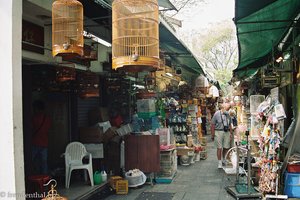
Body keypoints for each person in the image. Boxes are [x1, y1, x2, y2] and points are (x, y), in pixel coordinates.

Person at [31, 100, 51, 174]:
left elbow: (31, 129)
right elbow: (49, 129)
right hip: (44, 143)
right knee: (44, 163)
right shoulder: (47, 118)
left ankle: (35, 176)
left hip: (34, 143)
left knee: (31, 161)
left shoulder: (33, 118)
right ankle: (44, 179)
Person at [211, 103, 233, 169]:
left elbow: (230, 124)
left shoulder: (228, 114)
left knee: (226, 147)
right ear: (222, 108)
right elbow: (213, 124)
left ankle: (224, 159)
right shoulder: (217, 114)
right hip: (218, 131)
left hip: (227, 132)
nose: (227, 109)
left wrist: (231, 133)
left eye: (228, 108)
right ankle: (219, 162)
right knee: (219, 147)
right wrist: (212, 134)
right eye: (226, 108)